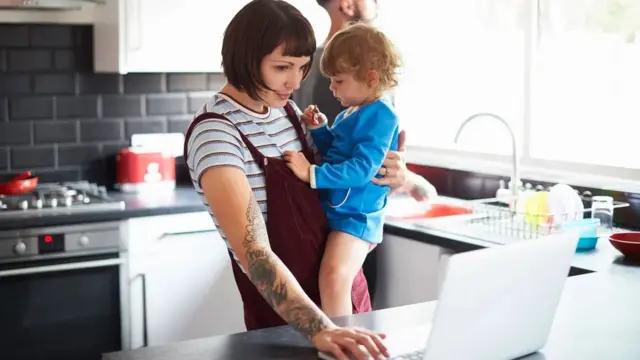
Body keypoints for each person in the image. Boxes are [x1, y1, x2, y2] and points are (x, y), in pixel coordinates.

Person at [182, 1, 417, 359]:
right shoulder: (216, 134)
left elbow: (340, 174)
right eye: (282, 68)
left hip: (346, 305)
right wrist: (323, 328)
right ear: (245, 58)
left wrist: (395, 175)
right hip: (291, 331)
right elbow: (255, 254)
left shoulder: (286, 111)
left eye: (302, 68)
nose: (295, 82)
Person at [284, 22, 401, 318]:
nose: (332, 88)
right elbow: (338, 151)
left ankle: (341, 344)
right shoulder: (355, 110)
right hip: (341, 213)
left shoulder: (382, 115)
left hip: (356, 218)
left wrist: (311, 173)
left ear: (371, 78)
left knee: (334, 278)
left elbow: (362, 168)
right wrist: (321, 130)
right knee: (332, 280)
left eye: (338, 81)